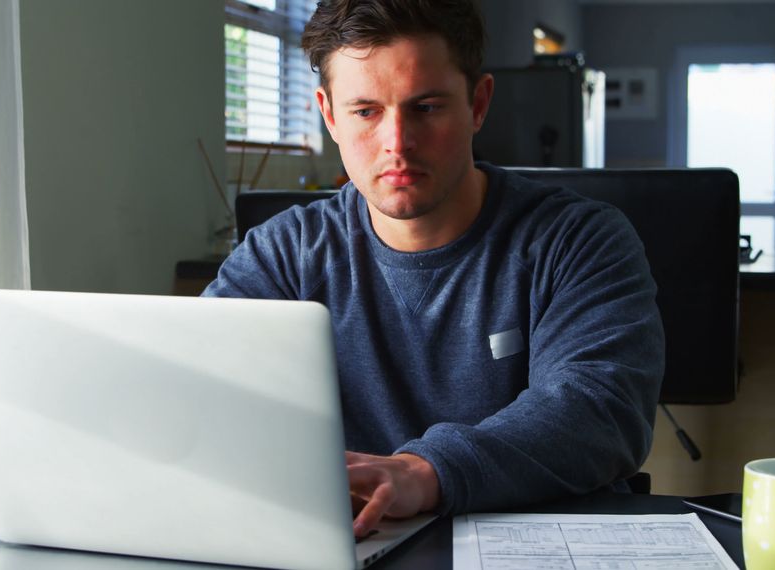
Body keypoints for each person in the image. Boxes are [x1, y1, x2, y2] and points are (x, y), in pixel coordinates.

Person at [203, 0, 664, 538]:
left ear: (478, 103)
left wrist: (424, 473)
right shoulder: (283, 255)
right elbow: (197, 387)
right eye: (365, 111)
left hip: (539, 538)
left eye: (425, 107)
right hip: (360, 542)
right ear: (328, 115)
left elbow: (599, 410)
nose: (397, 144)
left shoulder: (578, 240)